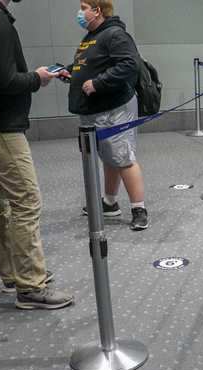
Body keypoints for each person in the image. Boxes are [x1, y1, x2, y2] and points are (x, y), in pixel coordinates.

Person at [0, 0, 73, 309]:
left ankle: (13, 274)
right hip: (2, 127)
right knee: (26, 202)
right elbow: (6, 81)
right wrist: (38, 77)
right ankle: (31, 287)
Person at [62, 0, 149, 231]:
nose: (80, 13)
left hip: (114, 107)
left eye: (83, 7)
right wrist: (69, 71)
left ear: (97, 10)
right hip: (95, 109)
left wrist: (99, 83)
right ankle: (110, 203)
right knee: (109, 156)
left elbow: (130, 64)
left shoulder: (114, 35)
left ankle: (139, 209)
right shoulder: (92, 36)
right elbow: (91, 63)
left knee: (123, 157)